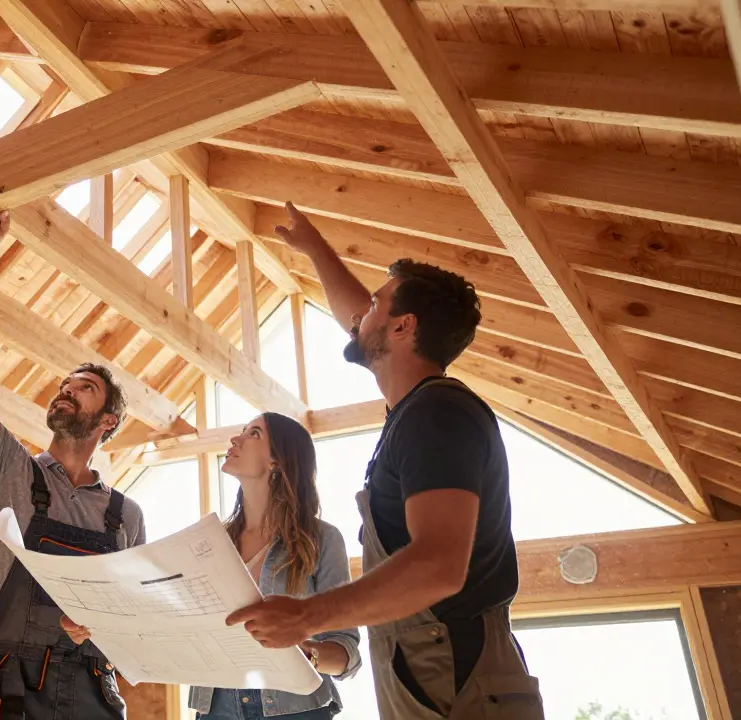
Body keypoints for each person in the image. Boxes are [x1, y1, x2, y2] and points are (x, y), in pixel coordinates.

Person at [227, 203, 543, 719]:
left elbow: (439, 565)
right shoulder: (415, 412)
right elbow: (361, 319)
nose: (360, 316)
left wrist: (306, 617)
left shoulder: (437, 414)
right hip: (427, 670)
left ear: (403, 328)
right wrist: (315, 250)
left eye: (376, 304)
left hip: (457, 676)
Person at [0, 211, 146, 720]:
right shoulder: (6, 470)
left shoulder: (126, 517)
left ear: (108, 422)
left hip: (94, 699)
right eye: (64, 386)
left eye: (85, 388)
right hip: (3, 693)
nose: (67, 390)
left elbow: (135, 626)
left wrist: (100, 626)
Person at [190, 412, 361, 719]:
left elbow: (346, 650)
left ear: (277, 461)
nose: (235, 439)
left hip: (296, 709)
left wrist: (309, 652)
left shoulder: (322, 539)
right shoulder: (211, 542)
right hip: (216, 708)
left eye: (253, 433)